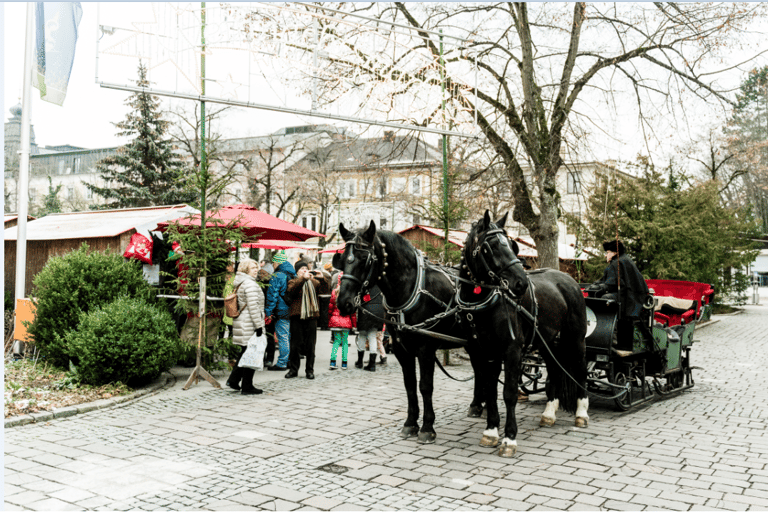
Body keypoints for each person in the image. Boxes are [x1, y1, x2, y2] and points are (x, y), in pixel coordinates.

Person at [586, 239, 650, 348]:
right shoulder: (623, 260)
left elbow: (611, 285)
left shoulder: (617, 263)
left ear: (615, 252)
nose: (606, 255)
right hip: (632, 297)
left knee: (604, 299)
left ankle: (609, 333)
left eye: (607, 252)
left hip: (628, 298)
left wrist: (597, 287)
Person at [226, 259, 266, 395]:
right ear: (245, 269)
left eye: (256, 267)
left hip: (243, 322)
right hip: (249, 324)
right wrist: (259, 326)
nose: (256, 270)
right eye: (252, 268)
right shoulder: (250, 284)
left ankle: (233, 380)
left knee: (245, 353)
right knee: (251, 354)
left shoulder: (241, 281)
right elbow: (253, 307)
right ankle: (247, 386)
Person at [284, 260, 329, 379]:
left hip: (311, 317)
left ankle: (310, 370)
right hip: (297, 317)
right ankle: (293, 370)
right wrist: (303, 279)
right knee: (295, 346)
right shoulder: (293, 281)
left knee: (310, 346)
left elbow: (325, 291)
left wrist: (322, 279)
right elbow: (292, 292)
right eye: (302, 269)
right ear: (297, 272)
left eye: (306, 268)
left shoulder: (314, 282)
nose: (305, 270)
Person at [264, 250, 294, 371]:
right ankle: (289, 360)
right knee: (288, 336)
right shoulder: (293, 274)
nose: (273, 265)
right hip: (291, 309)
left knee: (282, 337)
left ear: (277, 263)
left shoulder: (277, 276)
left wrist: (268, 311)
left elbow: (272, 295)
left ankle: (282, 363)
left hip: (281, 310)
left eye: (274, 263)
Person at [328, 273, 356, 370]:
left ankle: (333, 361)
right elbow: (352, 312)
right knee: (345, 342)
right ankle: (344, 363)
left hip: (335, 321)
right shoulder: (350, 294)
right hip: (346, 322)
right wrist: (354, 324)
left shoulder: (334, 292)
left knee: (336, 341)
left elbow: (330, 308)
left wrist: (330, 318)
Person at [355, 284, 385, 371]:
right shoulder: (379, 285)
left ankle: (360, 361)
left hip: (365, 311)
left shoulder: (364, 284)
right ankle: (372, 364)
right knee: (372, 337)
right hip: (378, 311)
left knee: (362, 335)